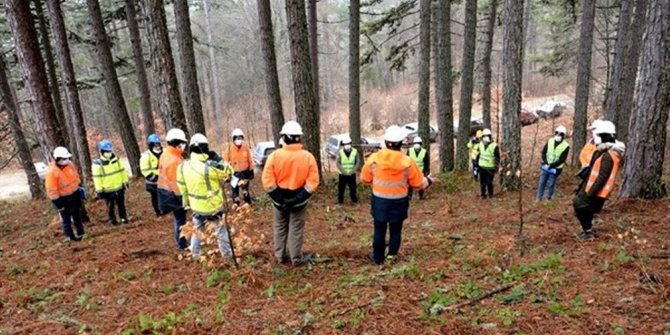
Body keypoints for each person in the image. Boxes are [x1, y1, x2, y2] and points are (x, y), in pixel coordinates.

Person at [361, 125, 433, 265]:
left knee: (379, 230)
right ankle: (391, 257)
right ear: (401, 143)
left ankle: (377, 258)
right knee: (396, 230)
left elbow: (364, 179)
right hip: (399, 202)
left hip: (379, 202)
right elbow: (419, 184)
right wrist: (429, 180)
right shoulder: (408, 162)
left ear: (386, 142)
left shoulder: (374, 159)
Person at [262, 121, 319, 266]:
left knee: (280, 227)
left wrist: (281, 199)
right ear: (299, 138)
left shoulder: (274, 156)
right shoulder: (308, 157)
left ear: (284, 137)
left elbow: (267, 181)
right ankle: (296, 258)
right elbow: (312, 182)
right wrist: (296, 199)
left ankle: (280, 256)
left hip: (279, 202)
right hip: (299, 202)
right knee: (296, 229)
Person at [177, 133, 234, 260]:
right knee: (221, 232)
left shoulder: (183, 166)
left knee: (197, 231)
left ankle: (195, 254)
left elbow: (183, 188)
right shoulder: (211, 167)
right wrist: (218, 159)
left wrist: (186, 204)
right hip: (214, 207)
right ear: (206, 148)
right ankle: (227, 255)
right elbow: (229, 171)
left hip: (197, 207)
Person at [573, 121, 625, 240]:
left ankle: (588, 232)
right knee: (581, 207)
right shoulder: (603, 150)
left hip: (594, 189)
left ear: (603, 136)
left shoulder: (608, 155)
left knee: (580, 206)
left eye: (596, 135)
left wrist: (591, 192)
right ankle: (587, 230)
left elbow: (602, 176)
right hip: (589, 186)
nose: (593, 138)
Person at [158, 128, 189, 250]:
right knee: (180, 219)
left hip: (165, 192)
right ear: (178, 143)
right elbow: (176, 183)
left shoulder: (166, 154)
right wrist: (184, 199)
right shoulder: (174, 160)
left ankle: (181, 241)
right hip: (173, 195)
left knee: (178, 218)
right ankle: (182, 244)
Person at [45, 146, 85, 241]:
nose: (66, 160)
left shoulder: (70, 164)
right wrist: (58, 203)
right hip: (63, 199)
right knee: (66, 219)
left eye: (67, 158)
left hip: (74, 194)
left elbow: (76, 177)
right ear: (57, 159)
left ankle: (81, 234)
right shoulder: (52, 172)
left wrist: (79, 187)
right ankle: (70, 237)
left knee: (77, 216)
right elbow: (51, 189)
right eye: (63, 159)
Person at [92, 140, 129, 225]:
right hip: (108, 190)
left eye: (109, 151)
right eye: (106, 152)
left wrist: (125, 181)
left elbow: (122, 171)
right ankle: (113, 220)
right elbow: (97, 179)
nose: (108, 153)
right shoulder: (98, 164)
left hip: (119, 187)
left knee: (121, 204)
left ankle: (123, 218)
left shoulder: (117, 160)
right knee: (110, 206)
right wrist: (99, 190)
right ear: (102, 152)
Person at [536, 126, 570, 201]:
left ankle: (548, 198)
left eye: (560, 134)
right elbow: (544, 152)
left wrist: (551, 165)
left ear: (563, 135)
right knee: (542, 182)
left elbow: (562, 159)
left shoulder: (566, 146)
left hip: (555, 168)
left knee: (551, 184)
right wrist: (545, 162)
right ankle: (538, 198)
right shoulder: (550, 141)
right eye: (557, 133)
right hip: (546, 166)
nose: (558, 135)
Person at [224, 128, 254, 205]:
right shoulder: (229, 149)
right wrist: (227, 175)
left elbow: (250, 159)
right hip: (234, 174)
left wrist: (251, 171)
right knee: (235, 191)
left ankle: (248, 204)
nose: (239, 140)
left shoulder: (245, 147)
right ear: (233, 139)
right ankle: (236, 205)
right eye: (237, 138)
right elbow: (226, 163)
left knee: (245, 190)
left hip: (245, 172)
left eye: (240, 138)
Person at [140, 133, 163, 216]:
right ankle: (158, 212)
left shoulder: (164, 153)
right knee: (155, 197)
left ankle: (164, 209)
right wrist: (154, 177)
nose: (158, 146)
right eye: (155, 144)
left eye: (158, 144)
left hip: (164, 180)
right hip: (152, 181)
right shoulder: (146, 156)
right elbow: (144, 170)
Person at [336, 134, 360, 205]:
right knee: (341, 188)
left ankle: (354, 201)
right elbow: (338, 163)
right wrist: (343, 171)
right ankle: (340, 202)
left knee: (353, 188)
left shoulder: (355, 151)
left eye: (348, 144)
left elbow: (357, 162)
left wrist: (352, 171)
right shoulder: (340, 152)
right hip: (342, 174)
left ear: (350, 143)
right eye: (346, 144)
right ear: (343, 145)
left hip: (352, 174)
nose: (347, 145)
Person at [476, 128, 500, 199]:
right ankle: (483, 194)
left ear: (490, 136)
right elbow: (478, 154)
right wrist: (476, 165)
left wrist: (496, 167)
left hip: (490, 167)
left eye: (487, 136)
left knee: (489, 182)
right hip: (481, 167)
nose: (485, 138)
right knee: (482, 182)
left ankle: (491, 194)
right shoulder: (480, 144)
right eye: (484, 136)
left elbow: (497, 157)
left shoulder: (494, 146)